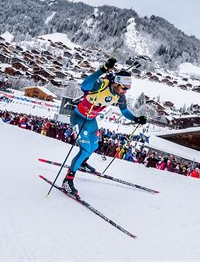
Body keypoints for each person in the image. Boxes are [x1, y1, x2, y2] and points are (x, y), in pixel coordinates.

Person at [62, 58, 146, 196]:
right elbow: (85, 84)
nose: (125, 91)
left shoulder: (120, 96)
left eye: (127, 89)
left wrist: (136, 119)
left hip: (91, 121)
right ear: (116, 83)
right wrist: (103, 69)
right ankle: (67, 180)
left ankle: (82, 163)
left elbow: (124, 111)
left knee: (94, 146)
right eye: (124, 88)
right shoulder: (101, 85)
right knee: (84, 150)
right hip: (78, 118)